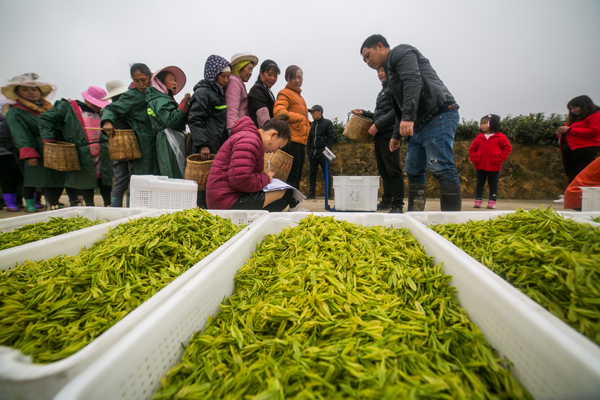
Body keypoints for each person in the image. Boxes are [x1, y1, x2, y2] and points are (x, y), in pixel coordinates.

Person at [360, 34, 461, 211]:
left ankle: (452, 221)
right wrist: (397, 135)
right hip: (418, 123)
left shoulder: (401, 52)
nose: (367, 62)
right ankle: (416, 215)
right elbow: (399, 104)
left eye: (368, 55)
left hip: (438, 113)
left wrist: (408, 118)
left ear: (380, 46)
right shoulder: (389, 74)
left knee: (441, 167)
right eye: (364, 60)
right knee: (413, 169)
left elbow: (412, 81)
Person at [206, 115, 300, 212]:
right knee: (285, 194)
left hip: (223, 198)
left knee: (282, 197)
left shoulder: (249, 138)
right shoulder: (250, 141)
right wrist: (266, 177)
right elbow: (241, 180)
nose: (275, 151)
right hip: (226, 202)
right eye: (279, 146)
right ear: (273, 135)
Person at [39, 86, 113, 207]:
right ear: (88, 100)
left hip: (102, 151)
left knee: (104, 179)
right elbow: (46, 118)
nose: (98, 106)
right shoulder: (69, 107)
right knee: (85, 180)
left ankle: (108, 205)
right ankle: (89, 207)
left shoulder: (101, 112)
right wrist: (50, 139)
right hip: (82, 151)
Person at [1, 73, 64, 211]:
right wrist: (29, 153)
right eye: (25, 89)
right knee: (36, 178)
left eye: (34, 89)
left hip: (54, 149)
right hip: (36, 148)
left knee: (57, 177)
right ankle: (35, 204)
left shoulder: (49, 109)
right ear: (18, 92)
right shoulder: (15, 112)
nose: (31, 92)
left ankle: (53, 202)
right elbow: (20, 134)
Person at [352, 67, 404, 213]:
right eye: (378, 71)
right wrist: (365, 113)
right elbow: (380, 114)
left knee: (393, 170)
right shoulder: (383, 91)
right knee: (384, 170)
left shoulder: (395, 88)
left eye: (383, 71)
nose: (380, 73)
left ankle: (398, 204)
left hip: (390, 134)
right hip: (380, 135)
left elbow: (397, 111)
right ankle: (387, 200)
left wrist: (378, 125)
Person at [188, 55, 231, 208]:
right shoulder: (202, 93)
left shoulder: (219, 92)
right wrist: (203, 144)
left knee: (212, 183)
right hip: (205, 147)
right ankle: (199, 213)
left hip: (217, 144)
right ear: (213, 74)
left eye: (228, 76)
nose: (226, 80)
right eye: (223, 76)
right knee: (201, 183)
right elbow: (195, 119)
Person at [102, 63, 159, 177]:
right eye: (136, 81)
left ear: (151, 77)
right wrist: (108, 121)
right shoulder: (132, 96)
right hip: (144, 145)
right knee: (144, 177)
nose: (141, 84)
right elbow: (111, 108)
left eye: (143, 80)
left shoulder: (158, 93)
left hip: (160, 142)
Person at [273, 65, 311, 212]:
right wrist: (300, 118)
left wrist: (308, 124)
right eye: (293, 77)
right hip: (291, 141)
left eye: (299, 77)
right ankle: (293, 205)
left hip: (301, 142)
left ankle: (295, 203)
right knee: (292, 176)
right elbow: (279, 112)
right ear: (287, 78)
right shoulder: (285, 93)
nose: (297, 80)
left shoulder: (300, 97)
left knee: (298, 175)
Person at [146, 66, 191, 179]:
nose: (174, 82)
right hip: (168, 140)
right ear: (160, 83)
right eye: (171, 79)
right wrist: (184, 104)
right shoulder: (160, 100)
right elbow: (171, 120)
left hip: (171, 139)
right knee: (173, 174)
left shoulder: (164, 99)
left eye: (175, 80)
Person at [468, 114, 512, 209]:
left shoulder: (500, 137)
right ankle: (478, 200)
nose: (482, 125)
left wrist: (501, 157)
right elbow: (472, 149)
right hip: (480, 165)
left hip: (494, 165)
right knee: (480, 183)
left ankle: (492, 201)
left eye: (484, 123)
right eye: (481, 123)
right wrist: (474, 158)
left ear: (492, 124)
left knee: (493, 183)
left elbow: (507, 147)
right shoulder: (479, 137)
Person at [556, 95, 600, 184]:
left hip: (584, 149)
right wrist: (560, 133)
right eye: (571, 109)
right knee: (571, 174)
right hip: (568, 150)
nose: (573, 111)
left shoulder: (595, 115)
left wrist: (569, 129)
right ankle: (571, 196)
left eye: (575, 108)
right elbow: (567, 133)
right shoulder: (573, 120)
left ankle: (584, 195)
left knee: (584, 174)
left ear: (584, 106)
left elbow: (594, 131)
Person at [102, 79, 133, 207]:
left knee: (120, 178)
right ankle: (131, 208)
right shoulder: (126, 105)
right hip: (131, 144)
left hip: (117, 145)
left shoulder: (109, 108)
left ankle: (115, 208)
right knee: (133, 177)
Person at [306, 105, 334, 200]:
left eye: (313, 112)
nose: (312, 114)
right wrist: (308, 151)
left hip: (323, 154)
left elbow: (330, 138)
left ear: (320, 112)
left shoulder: (328, 123)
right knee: (312, 174)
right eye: (311, 112)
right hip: (312, 154)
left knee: (326, 173)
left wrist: (326, 151)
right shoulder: (311, 124)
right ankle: (311, 193)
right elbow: (309, 138)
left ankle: (328, 194)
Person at [226, 52, 258, 133]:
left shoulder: (238, 82)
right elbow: (232, 108)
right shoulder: (234, 82)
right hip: (237, 128)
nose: (250, 73)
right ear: (239, 67)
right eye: (249, 69)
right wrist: (232, 131)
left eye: (252, 70)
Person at [248, 59, 280, 128]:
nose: (272, 78)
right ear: (261, 73)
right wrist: (267, 132)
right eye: (269, 74)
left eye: (275, 76)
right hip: (260, 132)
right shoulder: (257, 89)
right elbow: (262, 115)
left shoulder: (267, 90)